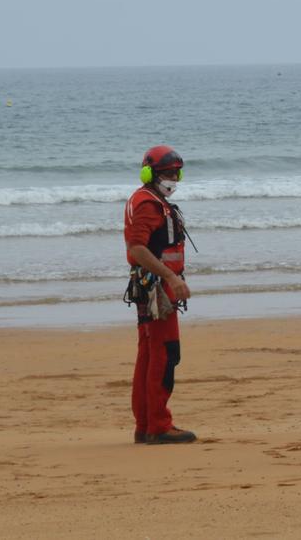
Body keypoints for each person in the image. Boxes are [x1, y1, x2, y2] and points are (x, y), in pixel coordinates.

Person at [125, 145, 195, 445]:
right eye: (167, 172)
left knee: (150, 354)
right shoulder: (147, 204)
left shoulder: (150, 200)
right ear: (149, 173)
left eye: (176, 172)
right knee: (164, 355)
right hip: (157, 290)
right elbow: (137, 248)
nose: (173, 177)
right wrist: (170, 278)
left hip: (152, 287)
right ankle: (158, 425)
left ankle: (146, 424)